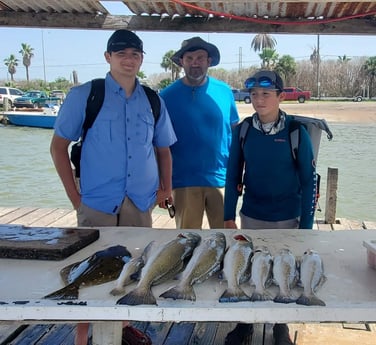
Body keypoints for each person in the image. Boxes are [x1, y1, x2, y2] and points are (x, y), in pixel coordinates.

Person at [50, 29, 176, 345]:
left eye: (135, 54)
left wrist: (167, 189)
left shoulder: (152, 99)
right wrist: (74, 196)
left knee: (135, 266)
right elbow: (58, 147)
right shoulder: (85, 95)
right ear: (108, 57)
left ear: (141, 59)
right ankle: (83, 335)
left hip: (139, 202)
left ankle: (121, 327)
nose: (128, 59)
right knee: (87, 270)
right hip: (97, 202)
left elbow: (164, 149)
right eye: (121, 53)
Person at [223, 70, 317, 345]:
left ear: (280, 96)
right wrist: (229, 215)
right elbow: (232, 177)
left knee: (283, 270)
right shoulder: (242, 130)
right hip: (252, 214)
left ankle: (280, 325)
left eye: (266, 94)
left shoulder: (296, 133)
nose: (259, 100)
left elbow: (309, 183)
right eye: (253, 94)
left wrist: (307, 226)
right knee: (249, 267)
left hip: (288, 216)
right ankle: (245, 324)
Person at [160, 36, 239, 229]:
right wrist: (163, 185)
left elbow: (235, 134)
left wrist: (239, 174)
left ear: (209, 61)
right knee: (186, 243)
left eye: (200, 57)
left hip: (221, 179)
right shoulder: (166, 97)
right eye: (189, 58)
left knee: (226, 240)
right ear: (181, 62)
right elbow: (158, 146)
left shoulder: (225, 91)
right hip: (183, 181)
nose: (195, 63)